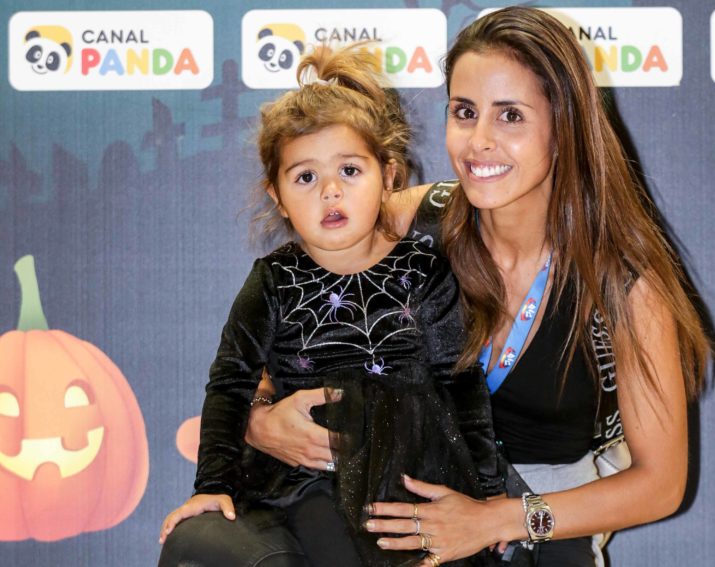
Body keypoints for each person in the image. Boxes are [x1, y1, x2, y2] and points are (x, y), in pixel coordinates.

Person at [246, 7, 711, 567]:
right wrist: (260, 415)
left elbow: (661, 484)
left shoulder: (625, 285)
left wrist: (497, 519)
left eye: (510, 116)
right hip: (403, 500)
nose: (479, 141)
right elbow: (283, 339)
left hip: (541, 519)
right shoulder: (410, 221)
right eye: (464, 112)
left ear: (564, 128)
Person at [157, 45, 501, 567]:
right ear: (277, 195)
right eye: (306, 177)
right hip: (308, 481)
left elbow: (460, 382)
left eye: (350, 170)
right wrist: (211, 485)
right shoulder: (273, 281)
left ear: (388, 176)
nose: (331, 191)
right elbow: (230, 383)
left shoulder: (424, 270)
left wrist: (489, 494)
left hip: (413, 477)